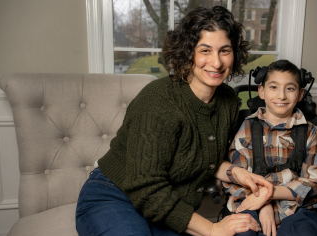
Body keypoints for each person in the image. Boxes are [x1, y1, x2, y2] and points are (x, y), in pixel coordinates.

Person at [75, 6, 274, 236]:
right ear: (188, 52)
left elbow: (203, 159)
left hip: (167, 204)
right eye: (205, 50)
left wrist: (237, 173)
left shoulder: (228, 101)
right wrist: (211, 228)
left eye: (225, 50)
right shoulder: (159, 100)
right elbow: (146, 187)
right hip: (114, 196)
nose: (217, 63)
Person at [223, 60, 317, 236]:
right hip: (253, 205)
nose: (281, 96)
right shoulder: (247, 128)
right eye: (273, 87)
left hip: (298, 209)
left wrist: (270, 193)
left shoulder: (310, 131)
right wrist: (264, 204)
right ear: (262, 92)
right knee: (243, 231)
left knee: (303, 231)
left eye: (289, 88)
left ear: (300, 94)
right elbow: (235, 177)